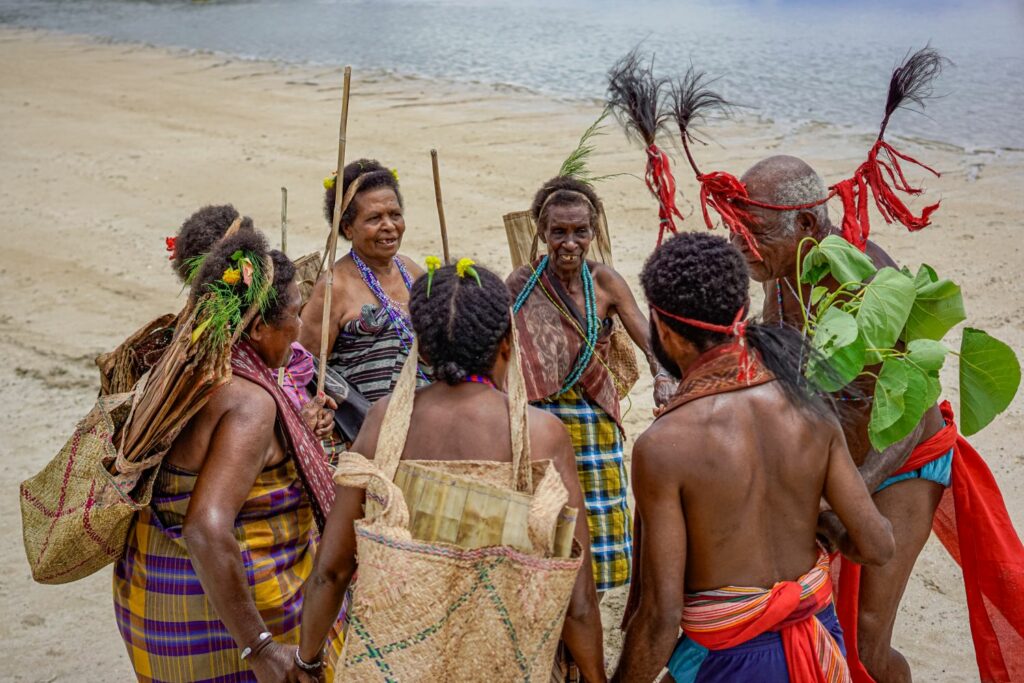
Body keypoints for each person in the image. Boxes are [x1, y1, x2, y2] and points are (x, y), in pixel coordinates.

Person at [731, 155, 1024, 683]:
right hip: (840, 461)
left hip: (903, 459)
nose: (741, 248)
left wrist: (855, 492)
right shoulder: (780, 273)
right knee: (815, 624)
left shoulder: (868, 276)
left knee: (866, 642)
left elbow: (911, 404)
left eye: (753, 233)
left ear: (806, 225)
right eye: (736, 232)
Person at [296, 262, 606, 682]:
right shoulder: (541, 435)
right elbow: (578, 600)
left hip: (397, 666)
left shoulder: (386, 422)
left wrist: (308, 661)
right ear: (506, 343)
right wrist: (594, 675)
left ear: (421, 349)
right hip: (501, 665)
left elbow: (332, 571)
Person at [613, 231, 894, 683]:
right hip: (818, 644)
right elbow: (878, 545)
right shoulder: (810, 408)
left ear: (665, 331)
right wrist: (822, 522)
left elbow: (661, 617)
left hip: (731, 664)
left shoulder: (664, 446)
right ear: (740, 314)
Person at [113, 226, 343, 682]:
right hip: (221, 629)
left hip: (154, 606)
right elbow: (204, 525)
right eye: (295, 316)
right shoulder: (247, 402)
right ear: (257, 328)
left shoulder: (186, 362)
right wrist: (260, 649)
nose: (300, 330)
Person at [507, 175, 674, 595]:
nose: (569, 242)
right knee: (543, 520)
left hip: (593, 419)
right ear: (542, 233)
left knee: (597, 526)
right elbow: (498, 346)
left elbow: (647, 338)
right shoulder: (522, 283)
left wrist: (665, 376)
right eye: (558, 232)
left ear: (593, 232)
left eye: (580, 232)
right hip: (538, 420)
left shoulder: (605, 282)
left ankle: (590, 609)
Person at [299, 159, 429, 406]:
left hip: (425, 419)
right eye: (374, 218)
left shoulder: (411, 271)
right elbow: (302, 367)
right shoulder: (333, 288)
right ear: (348, 228)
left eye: (395, 215)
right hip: (363, 429)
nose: (389, 226)